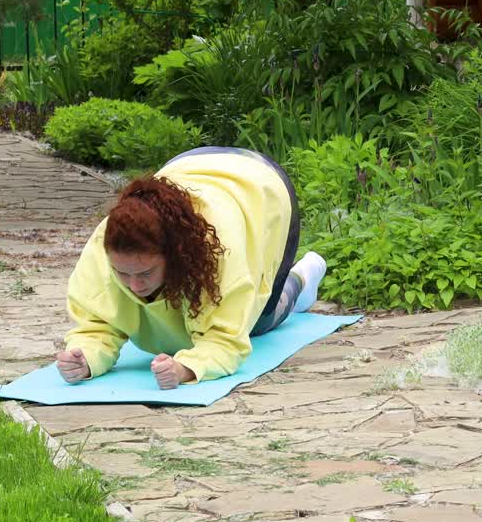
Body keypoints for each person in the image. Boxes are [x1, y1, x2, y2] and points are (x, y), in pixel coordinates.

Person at [54, 147, 327, 389]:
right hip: (187, 164)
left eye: (145, 273)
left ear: (175, 256)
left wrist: (186, 369)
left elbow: (225, 340)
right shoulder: (104, 250)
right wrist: (84, 358)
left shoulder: (220, 252)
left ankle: (301, 279)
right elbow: (97, 324)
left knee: (257, 322)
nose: (135, 286)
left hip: (263, 188)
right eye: (122, 274)